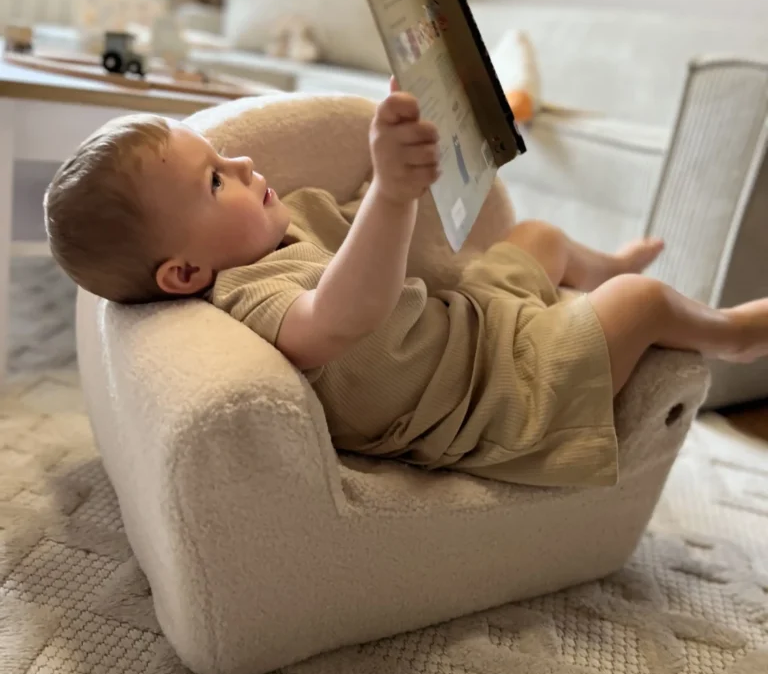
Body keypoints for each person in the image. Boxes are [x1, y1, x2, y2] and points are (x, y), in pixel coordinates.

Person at [44, 85, 768, 487]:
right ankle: (733, 334)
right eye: (213, 180)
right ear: (184, 273)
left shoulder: (287, 216)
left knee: (540, 237)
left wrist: (407, 129)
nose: (240, 163)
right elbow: (343, 312)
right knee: (637, 307)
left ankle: (604, 267)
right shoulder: (247, 297)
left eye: (221, 155)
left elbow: (378, 233)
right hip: (489, 394)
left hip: (468, 323)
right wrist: (392, 190)